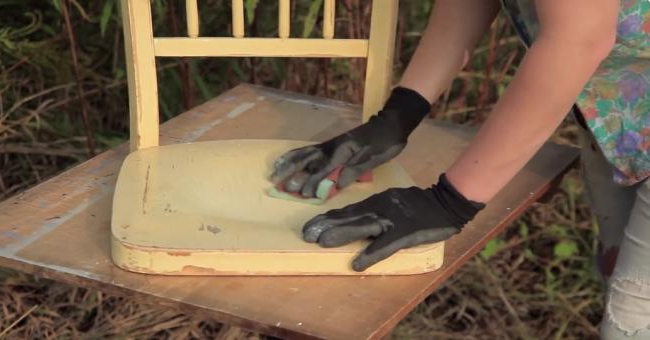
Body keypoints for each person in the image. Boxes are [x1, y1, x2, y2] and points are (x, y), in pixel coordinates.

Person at [270, 0, 649, 338]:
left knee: (630, 321)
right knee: (618, 282)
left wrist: (450, 201)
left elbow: (579, 38)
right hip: (620, 122)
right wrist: (400, 114)